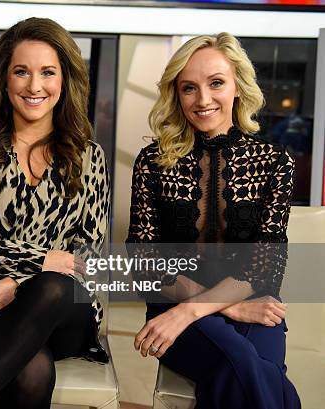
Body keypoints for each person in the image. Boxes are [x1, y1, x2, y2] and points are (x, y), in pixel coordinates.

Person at [0, 17, 110, 409]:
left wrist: (19, 280)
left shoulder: (89, 156)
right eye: (21, 72)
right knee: (31, 369)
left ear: (64, 80)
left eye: (47, 72)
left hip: (67, 311)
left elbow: (89, 254)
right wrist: (41, 260)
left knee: (54, 287)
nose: (34, 86)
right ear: (4, 79)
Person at [126, 33, 300, 409]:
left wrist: (197, 308)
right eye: (189, 88)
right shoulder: (153, 162)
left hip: (252, 306)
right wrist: (221, 307)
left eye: (216, 83)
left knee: (246, 371)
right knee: (247, 368)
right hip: (174, 304)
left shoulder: (275, 162)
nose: (203, 100)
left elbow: (265, 266)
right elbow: (142, 262)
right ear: (177, 94)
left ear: (238, 85)